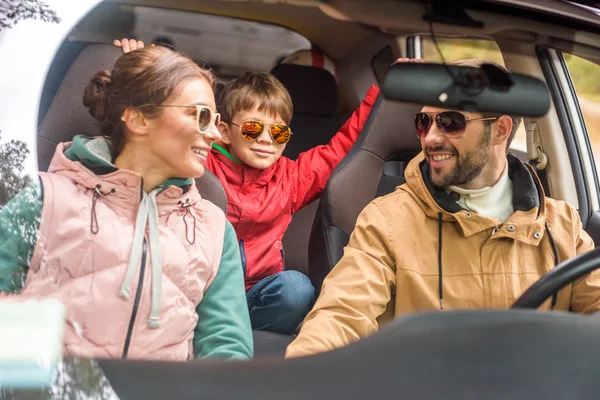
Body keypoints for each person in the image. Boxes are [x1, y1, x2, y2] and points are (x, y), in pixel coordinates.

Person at [285, 58, 600, 358]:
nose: (430, 138)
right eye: (424, 122)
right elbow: (340, 317)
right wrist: (300, 380)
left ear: (501, 130)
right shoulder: (387, 220)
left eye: (451, 122)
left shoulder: (562, 224)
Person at [0, 46, 253, 361]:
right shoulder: (44, 199)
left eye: (215, 119)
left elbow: (226, 349)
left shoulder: (215, 230)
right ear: (138, 119)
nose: (215, 133)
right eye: (199, 115)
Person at [115, 39, 381, 335]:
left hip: (255, 298)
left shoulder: (290, 178)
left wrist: (384, 93)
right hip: (199, 289)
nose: (267, 139)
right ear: (225, 131)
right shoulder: (199, 163)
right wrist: (145, 72)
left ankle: (232, 333)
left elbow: (339, 150)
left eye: (278, 132)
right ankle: (198, 327)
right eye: (254, 128)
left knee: (296, 288)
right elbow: (169, 125)